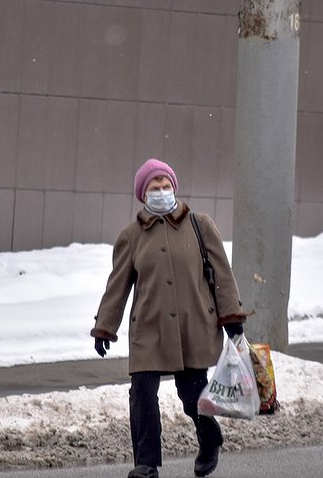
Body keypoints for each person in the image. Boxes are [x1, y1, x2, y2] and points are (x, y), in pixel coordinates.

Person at [90, 158, 248, 478]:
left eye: (165, 185)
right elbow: (117, 285)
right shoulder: (131, 235)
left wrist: (232, 317)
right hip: (148, 328)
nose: (161, 191)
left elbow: (222, 275)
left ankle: (208, 438)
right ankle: (146, 464)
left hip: (194, 326)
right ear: (142, 193)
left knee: (192, 396)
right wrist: (105, 327)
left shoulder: (200, 225)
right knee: (142, 396)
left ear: (173, 188)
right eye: (154, 187)